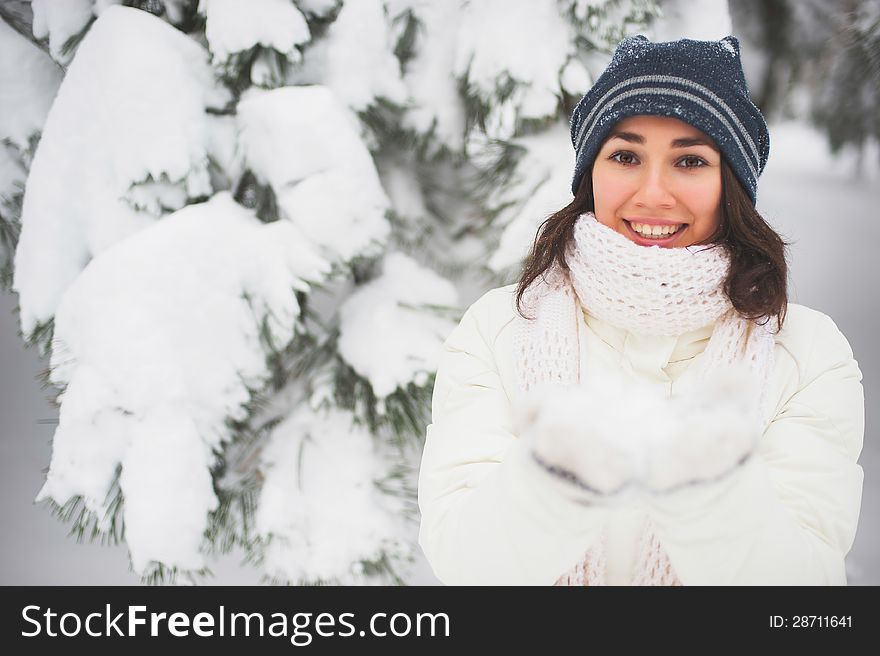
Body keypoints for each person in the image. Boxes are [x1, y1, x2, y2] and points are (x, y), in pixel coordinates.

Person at [416, 35, 865, 585]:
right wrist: (551, 483)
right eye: (626, 156)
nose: (654, 193)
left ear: (733, 186)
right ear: (590, 174)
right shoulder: (499, 329)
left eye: (691, 160)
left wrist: (712, 496)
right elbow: (466, 564)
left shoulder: (808, 352)